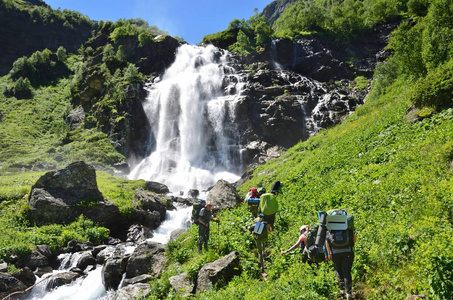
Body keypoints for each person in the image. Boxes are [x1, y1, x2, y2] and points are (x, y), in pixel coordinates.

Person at [325, 224, 357, 299]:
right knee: (347, 272)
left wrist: (329, 253)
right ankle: (349, 293)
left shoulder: (330, 228)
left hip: (335, 253)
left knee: (339, 271)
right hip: (348, 252)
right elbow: (354, 240)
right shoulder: (347, 226)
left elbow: (327, 242)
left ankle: (342, 291)